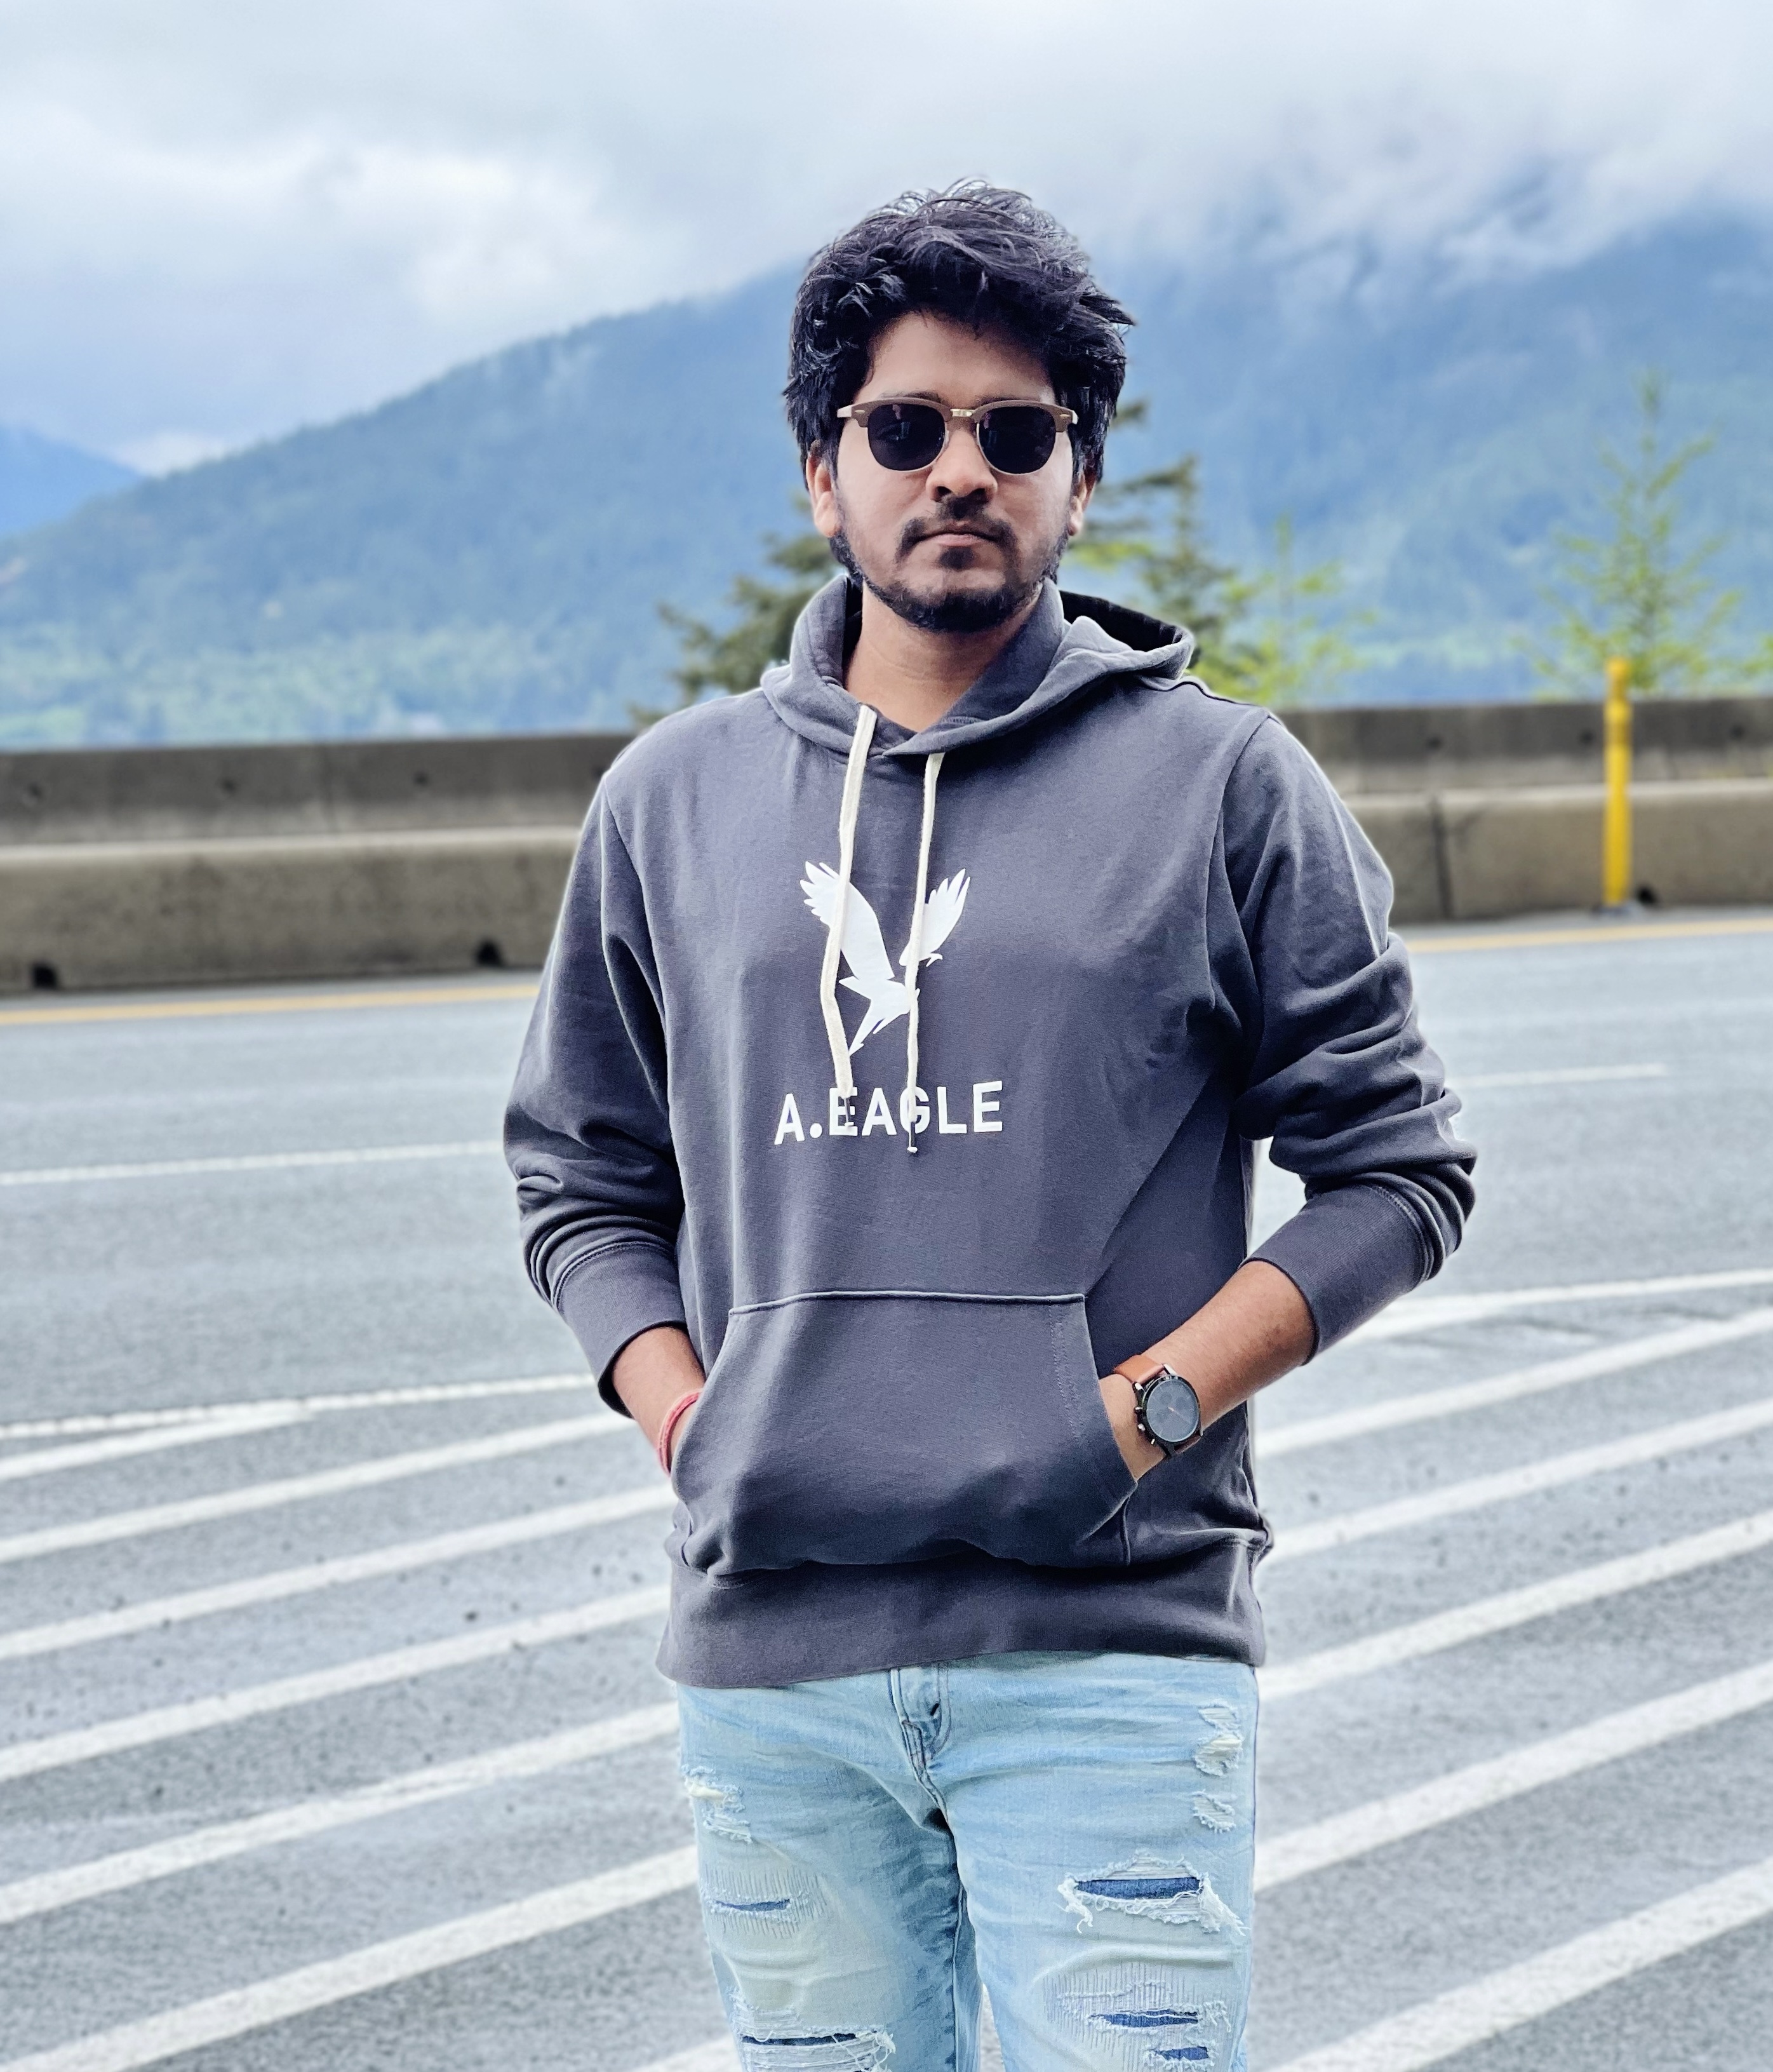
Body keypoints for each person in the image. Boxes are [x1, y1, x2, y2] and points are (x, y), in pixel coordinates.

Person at [505, 183, 1474, 2072]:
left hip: (1109, 1660)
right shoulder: (672, 803)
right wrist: (688, 1412)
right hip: (775, 1672)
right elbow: (581, 1173)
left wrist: (1147, 1414)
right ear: (823, 472)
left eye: (1017, 433)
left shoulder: (1222, 785)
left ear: (1078, 479)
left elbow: (1397, 1170)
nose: (961, 470)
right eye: (905, 428)